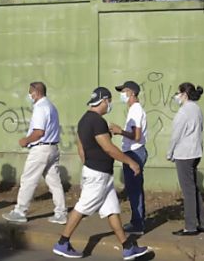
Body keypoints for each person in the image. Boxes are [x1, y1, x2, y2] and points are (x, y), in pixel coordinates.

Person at [51, 87, 151, 260]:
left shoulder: (84, 120)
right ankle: (62, 242)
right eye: (109, 101)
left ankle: (127, 247)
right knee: (82, 207)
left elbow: (80, 147)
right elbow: (109, 148)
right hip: (98, 175)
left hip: (100, 174)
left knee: (112, 209)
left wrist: (88, 164)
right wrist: (131, 162)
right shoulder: (97, 121)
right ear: (103, 100)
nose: (110, 104)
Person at [3, 82, 68, 224]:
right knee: (54, 182)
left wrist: (25, 140)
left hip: (40, 149)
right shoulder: (51, 107)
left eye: (30, 93)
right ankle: (61, 213)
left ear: (37, 92)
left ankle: (20, 211)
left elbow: (39, 132)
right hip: (53, 148)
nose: (29, 96)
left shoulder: (40, 108)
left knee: (28, 180)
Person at [167, 82, 204, 236]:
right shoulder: (197, 109)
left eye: (178, 93)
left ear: (184, 94)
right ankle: (203, 223)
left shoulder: (183, 112)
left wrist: (169, 153)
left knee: (188, 191)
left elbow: (176, 135)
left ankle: (190, 226)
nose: (176, 96)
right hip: (196, 152)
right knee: (193, 189)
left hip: (184, 154)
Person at [109, 80, 148, 235]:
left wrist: (120, 131)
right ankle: (136, 221)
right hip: (133, 151)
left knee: (135, 190)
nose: (122, 95)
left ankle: (138, 225)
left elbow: (137, 136)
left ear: (132, 93)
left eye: (124, 91)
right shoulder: (134, 110)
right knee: (133, 189)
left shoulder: (136, 110)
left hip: (134, 152)